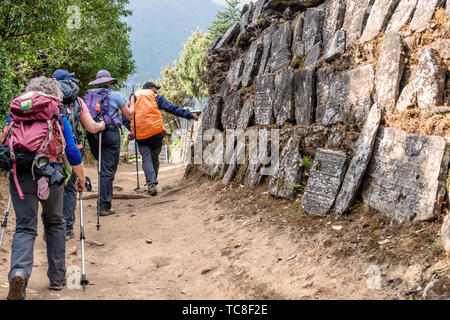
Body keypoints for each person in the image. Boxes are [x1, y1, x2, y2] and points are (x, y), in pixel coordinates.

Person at [4, 77, 88, 300]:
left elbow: (5, 140)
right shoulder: (55, 111)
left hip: (20, 170)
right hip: (51, 171)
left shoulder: (17, 111)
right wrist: (81, 177)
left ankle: (19, 272)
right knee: (54, 222)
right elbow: (70, 148)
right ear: (56, 94)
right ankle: (58, 278)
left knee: (24, 226)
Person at [51, 69, 106, 241]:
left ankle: (53, 226)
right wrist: (101, 125)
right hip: (73, 149)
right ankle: (67, 228)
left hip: (51, 152)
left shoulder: (47, 100)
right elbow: (90, 126)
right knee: (69, 189)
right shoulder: (78, 101)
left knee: (53, 188)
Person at [130, 81, 198, 196]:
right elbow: (172, 108)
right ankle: (153, 183)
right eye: (156, 88)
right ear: (151, 88)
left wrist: (133, 130)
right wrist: (189, 115)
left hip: (140, 134)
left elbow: (126, 116)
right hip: (156, 133)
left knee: (146, 158)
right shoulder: (156, 97)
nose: (157, 90)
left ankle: (151, 183)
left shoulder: (134, 98)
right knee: (155, 158)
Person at [85, 70, 134, 216]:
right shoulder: (116, 95)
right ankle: (104, 205)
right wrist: (133, 103)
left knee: (102, 167)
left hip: (92, 134)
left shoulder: (88, 96)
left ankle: (104, 199)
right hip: (110, 133)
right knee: (107, 170)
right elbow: (129, 115)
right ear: (108, 82)